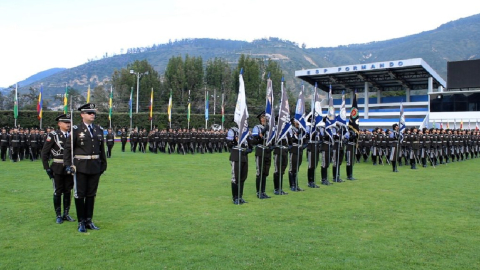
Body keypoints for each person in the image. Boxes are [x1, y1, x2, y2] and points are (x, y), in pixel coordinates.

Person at [64, 103, 107, 233]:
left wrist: (103, 164)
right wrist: (67, 165)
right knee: (79, 194)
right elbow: (68, 149)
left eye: (93, 112)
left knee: (91, 194)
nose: (92, 114)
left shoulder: (98, 129)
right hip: (80, 166)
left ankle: (89, 220)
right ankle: (81, 221)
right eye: (89, 113)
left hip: (95, 166)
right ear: (82, 114)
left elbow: (101, 149)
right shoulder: (76, 129)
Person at [41, 114, 76, 224]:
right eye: (66, 122)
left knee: (68, 191)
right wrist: (46, 168)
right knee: (57, 191)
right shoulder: (53, 135)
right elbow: (44, 153)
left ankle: (66, 213)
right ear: (59, 124)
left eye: (69, 122)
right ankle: (58, 215)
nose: (68, 124)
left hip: (69, 166)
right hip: (57, 166)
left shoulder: (72, 135)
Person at [226, 125, 252, 205]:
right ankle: (235, 198)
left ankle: (240, 196)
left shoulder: (245, 130)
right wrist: (235, 140)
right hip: (236, 156)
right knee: (235, 178)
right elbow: (229, 144)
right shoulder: (232, 131)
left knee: (242, 178)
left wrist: (249, 149)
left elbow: (250, 144)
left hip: (244, 156)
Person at [250, 112, 272, 199]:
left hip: (267, 151)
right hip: (260, 151)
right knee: (260, 172)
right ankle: (259, 192)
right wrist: (262, 133)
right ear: (260, 119)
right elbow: (254, 141)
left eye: (265, 117)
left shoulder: (269, 128)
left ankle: (263, 191)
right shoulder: (257, 128)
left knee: (265, 172)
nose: (264, 119)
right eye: (262, 118)